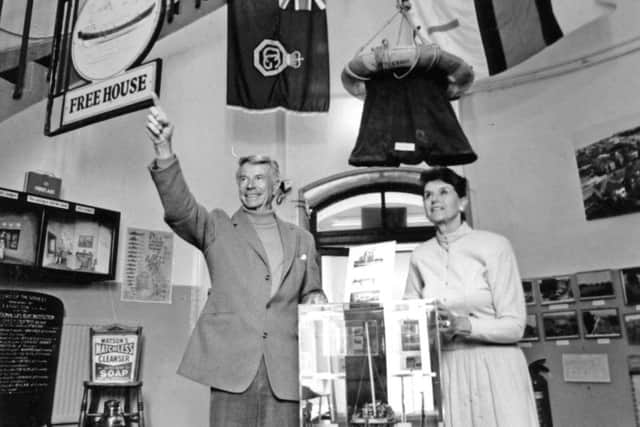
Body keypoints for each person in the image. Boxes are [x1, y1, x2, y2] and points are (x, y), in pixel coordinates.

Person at [145, 104, 327, 427]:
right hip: (231, 368)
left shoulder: (302, 240)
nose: (250, 185)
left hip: (285, 372)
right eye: (243, 179)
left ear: (275, 185)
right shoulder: (217, 227)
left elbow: (311, 292)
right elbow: (180, 209)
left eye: (259, 178)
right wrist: (164, 150)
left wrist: (317, 300)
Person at [404, 167, 538, 427]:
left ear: (462, 201)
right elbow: (410, 318)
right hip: (449, 369)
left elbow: (514, 327)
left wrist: (463, 325)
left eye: (444, 192)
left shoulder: (495, 246)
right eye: (427, 195)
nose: (434, 200)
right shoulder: (420, 256)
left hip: (496, 367)